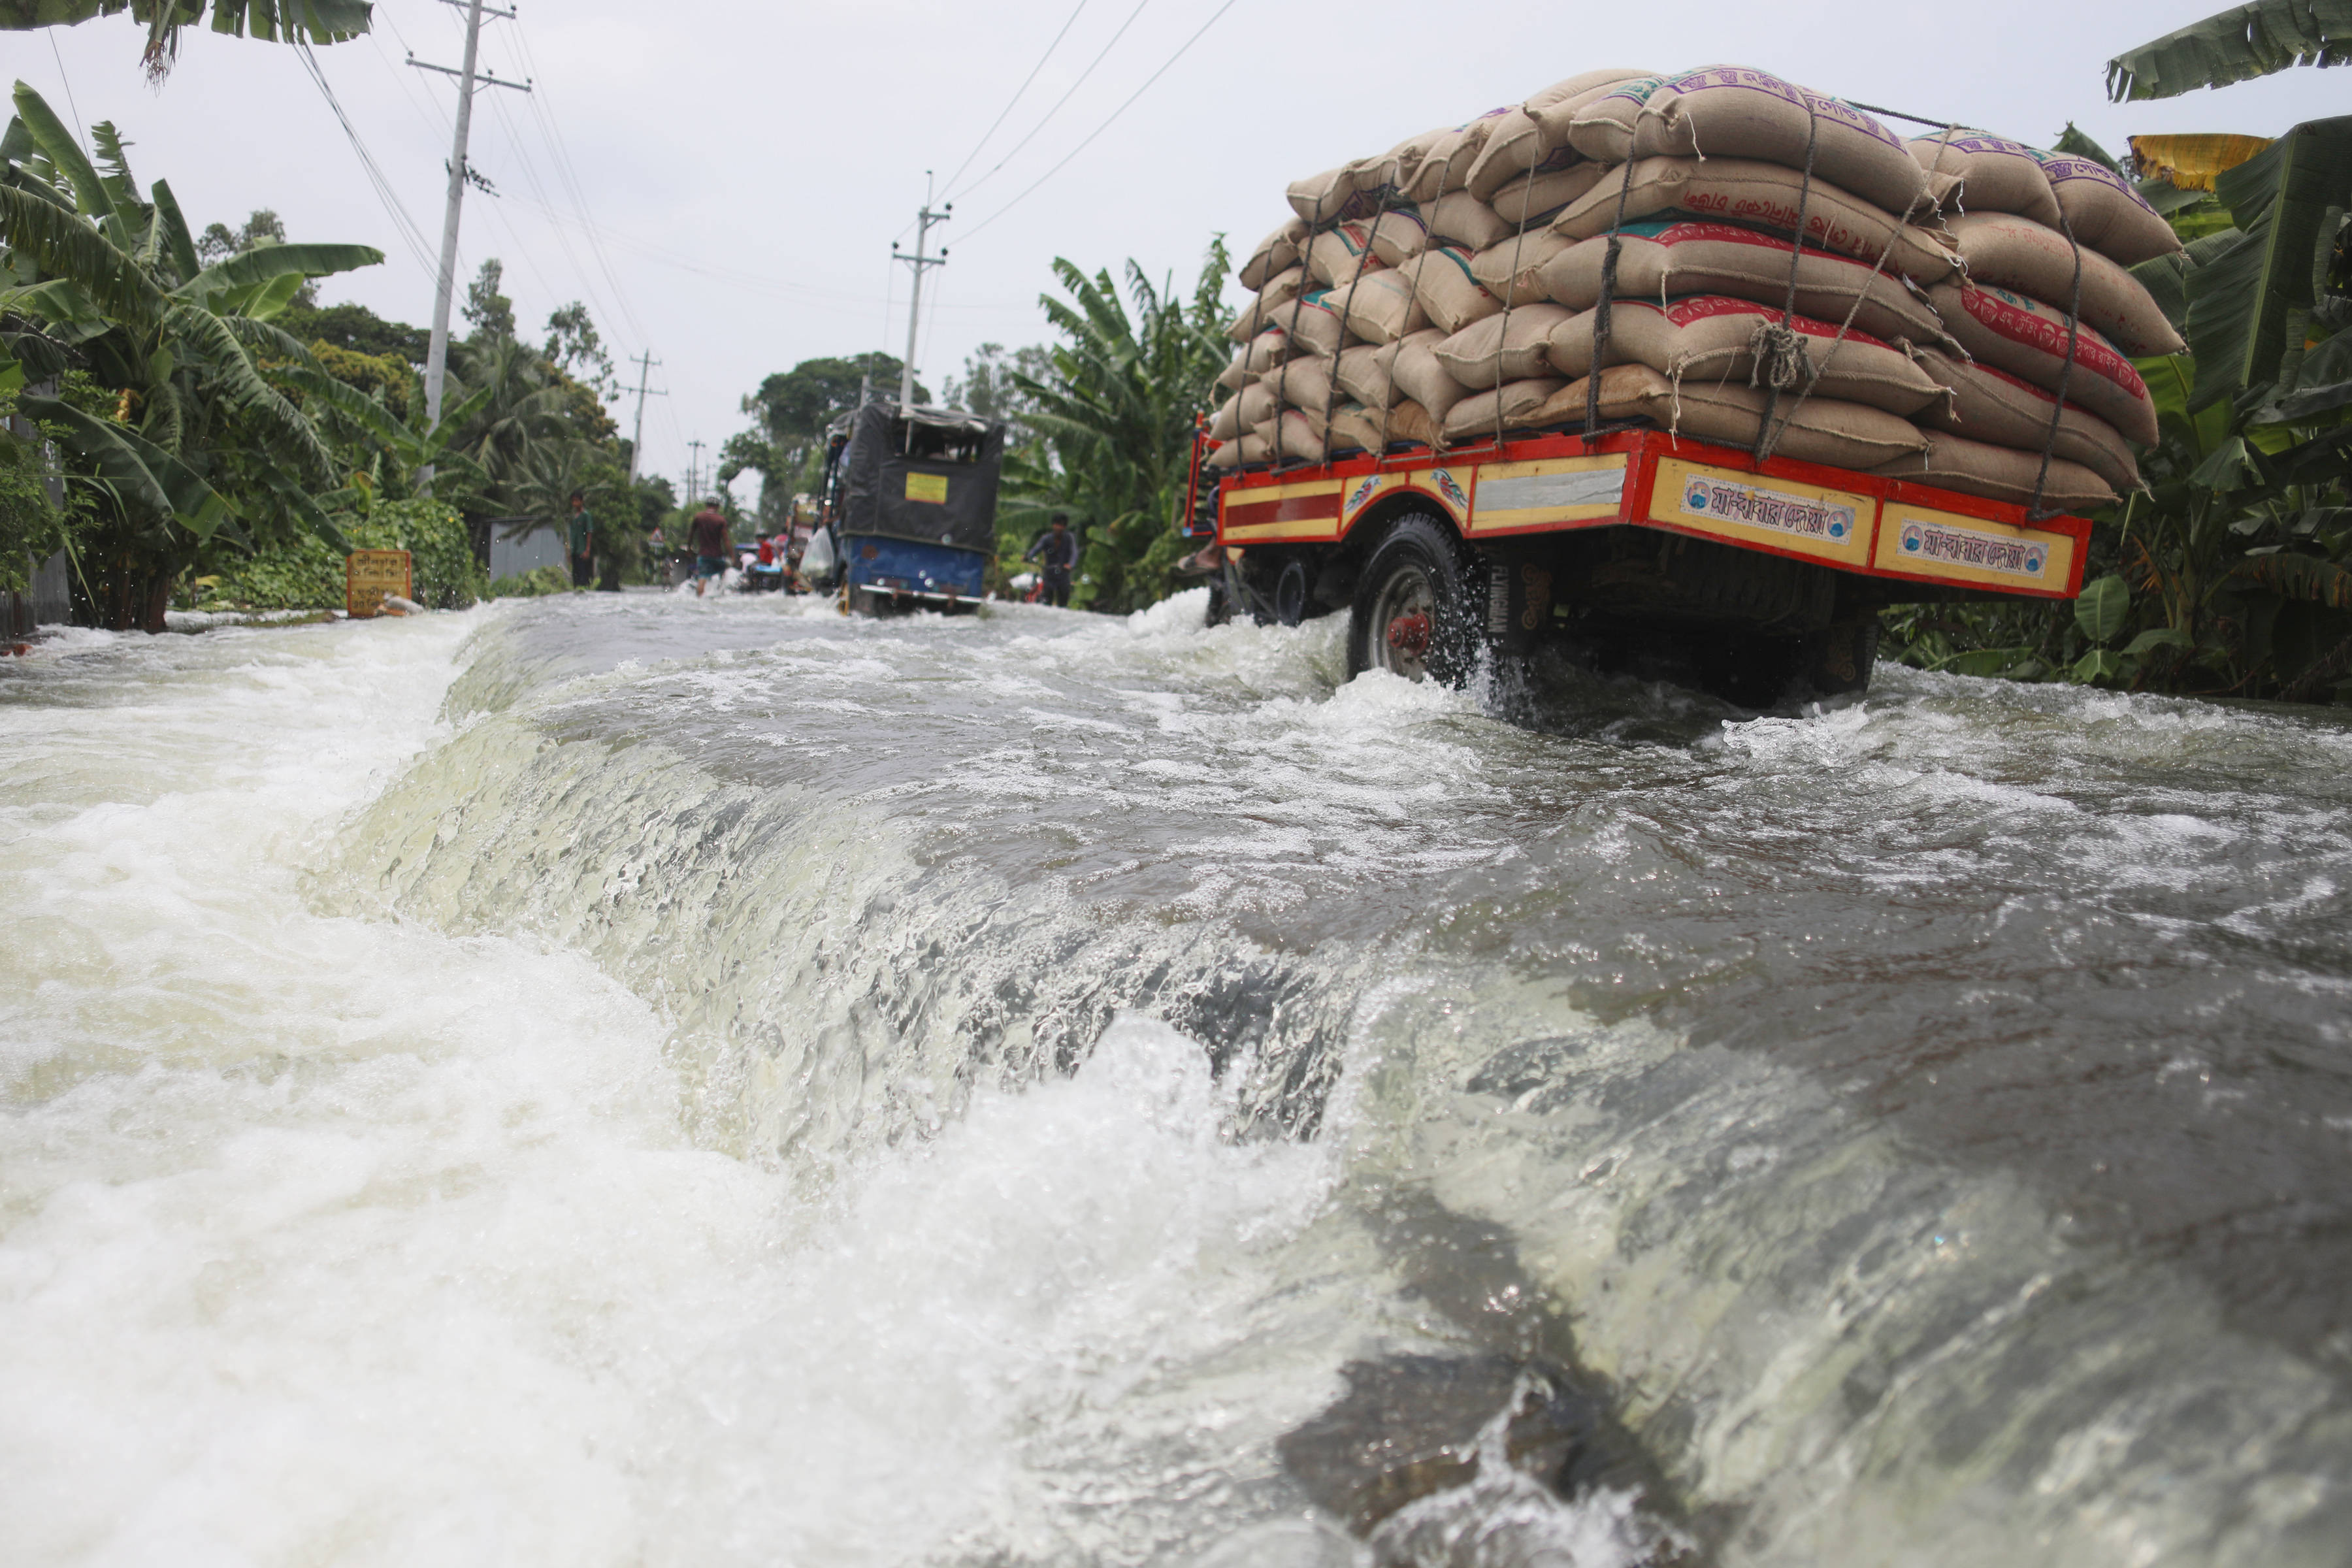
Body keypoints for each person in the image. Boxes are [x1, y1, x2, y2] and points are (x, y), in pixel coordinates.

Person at [1024, 512, 1079, 608]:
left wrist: (1070, 565)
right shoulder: (1046, 538)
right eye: (1057, 525)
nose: (1058, 528)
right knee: (1047, 601)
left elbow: (1074, 553)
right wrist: (1028, 556)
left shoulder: (1070, 538)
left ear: (1065, 527)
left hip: (1063, 574)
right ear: (1053, 525)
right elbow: (1036, 549)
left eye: (1061, 525)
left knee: (1063, 602)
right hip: (1049, 574)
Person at [689, 499, 730, 598]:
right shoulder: (721, 520)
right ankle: (720, 595)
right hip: (717, 555)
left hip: (703, 555)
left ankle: (699, 599)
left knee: (702, 577)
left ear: (706, 505)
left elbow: (691, 535)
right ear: (717, 507)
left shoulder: (698, 517)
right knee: (723, 576)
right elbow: (726, 540)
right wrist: (731, 555)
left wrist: (688, 549)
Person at [566, 491, 595, 589]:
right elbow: (572, 535)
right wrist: (569, 551)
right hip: (575, 551)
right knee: (576, 576)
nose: (575, 503)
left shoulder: (586, 515)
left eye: (577, 501)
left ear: (581, 501)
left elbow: (589, 532)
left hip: (582, 551)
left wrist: (587, 550)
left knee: (583, 578)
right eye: (573, 501)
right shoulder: (573, 517)